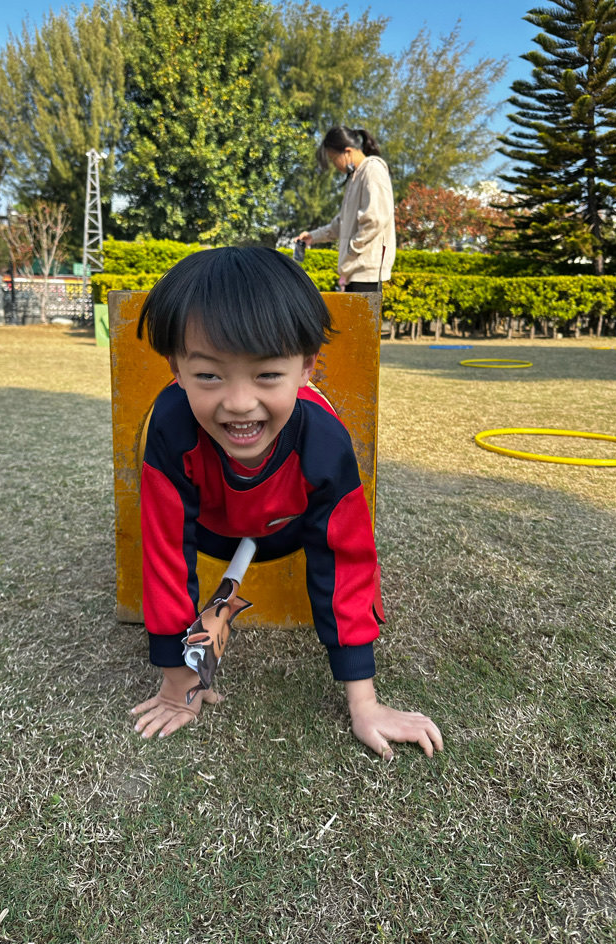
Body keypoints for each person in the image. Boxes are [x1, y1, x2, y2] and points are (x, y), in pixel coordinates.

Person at [130, 245, 443, 762]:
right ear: (176, 370)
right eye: (208, 375)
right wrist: (176, 680)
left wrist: (364, 703)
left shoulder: (325, 442)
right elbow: (165, 550)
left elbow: (345, 561)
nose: (239, 402)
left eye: (267, 375)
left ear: (306, 367)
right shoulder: (170, 426)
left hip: (287, 527)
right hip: (211, 526)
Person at [295, 126, 395, 292]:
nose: (335, 165)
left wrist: (352, 249)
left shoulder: (372, 170)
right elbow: (342, 223)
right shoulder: (355, 177)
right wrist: (313, 237)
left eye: (333, 158)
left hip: (366, 272)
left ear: (348, 151)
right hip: (356, 271)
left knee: (362, 311)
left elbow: (375, 219)